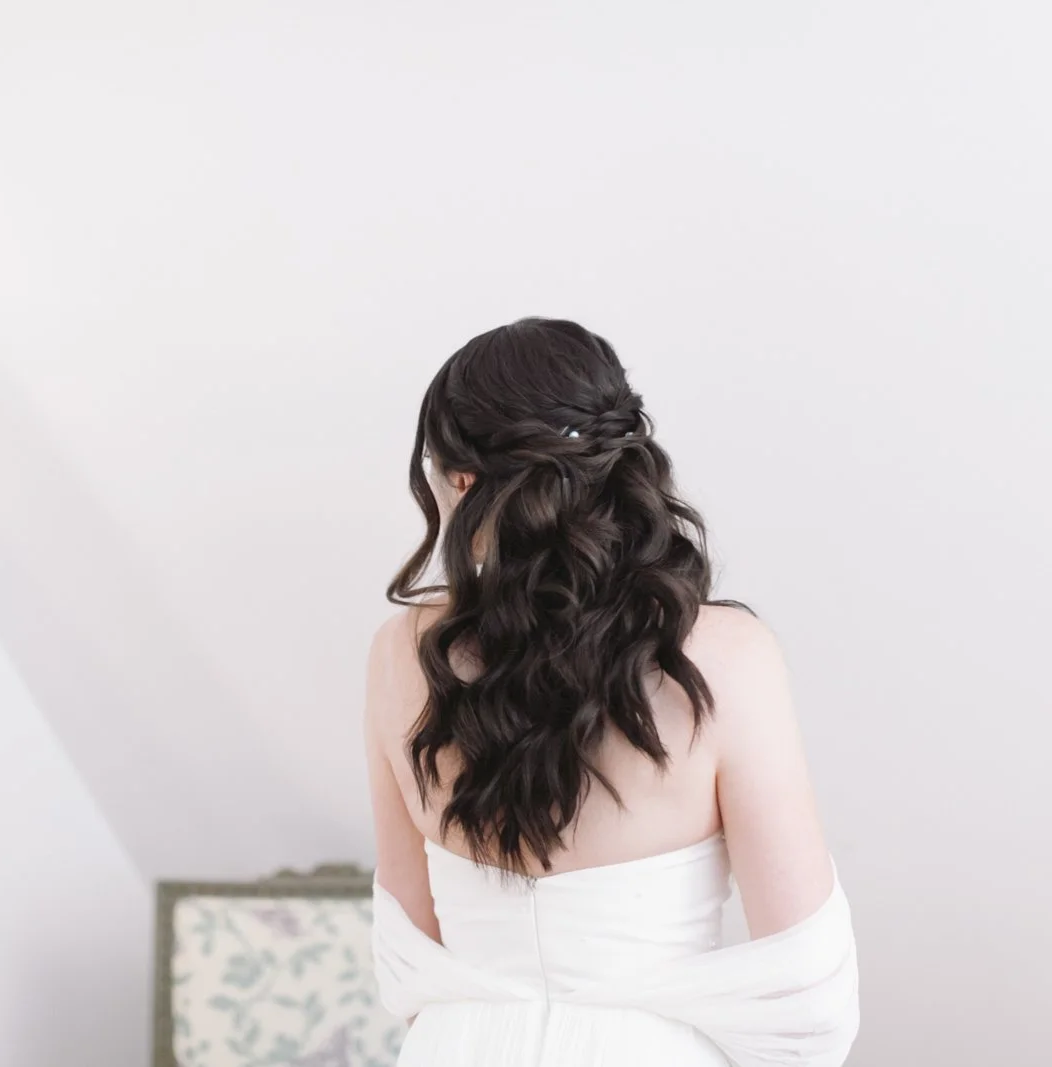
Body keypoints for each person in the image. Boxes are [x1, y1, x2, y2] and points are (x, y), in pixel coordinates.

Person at [366, 318, 858, 1066]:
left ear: (460, 479)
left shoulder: (401, 655)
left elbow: (407, 945)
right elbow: (810, 990)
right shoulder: (728, 656)